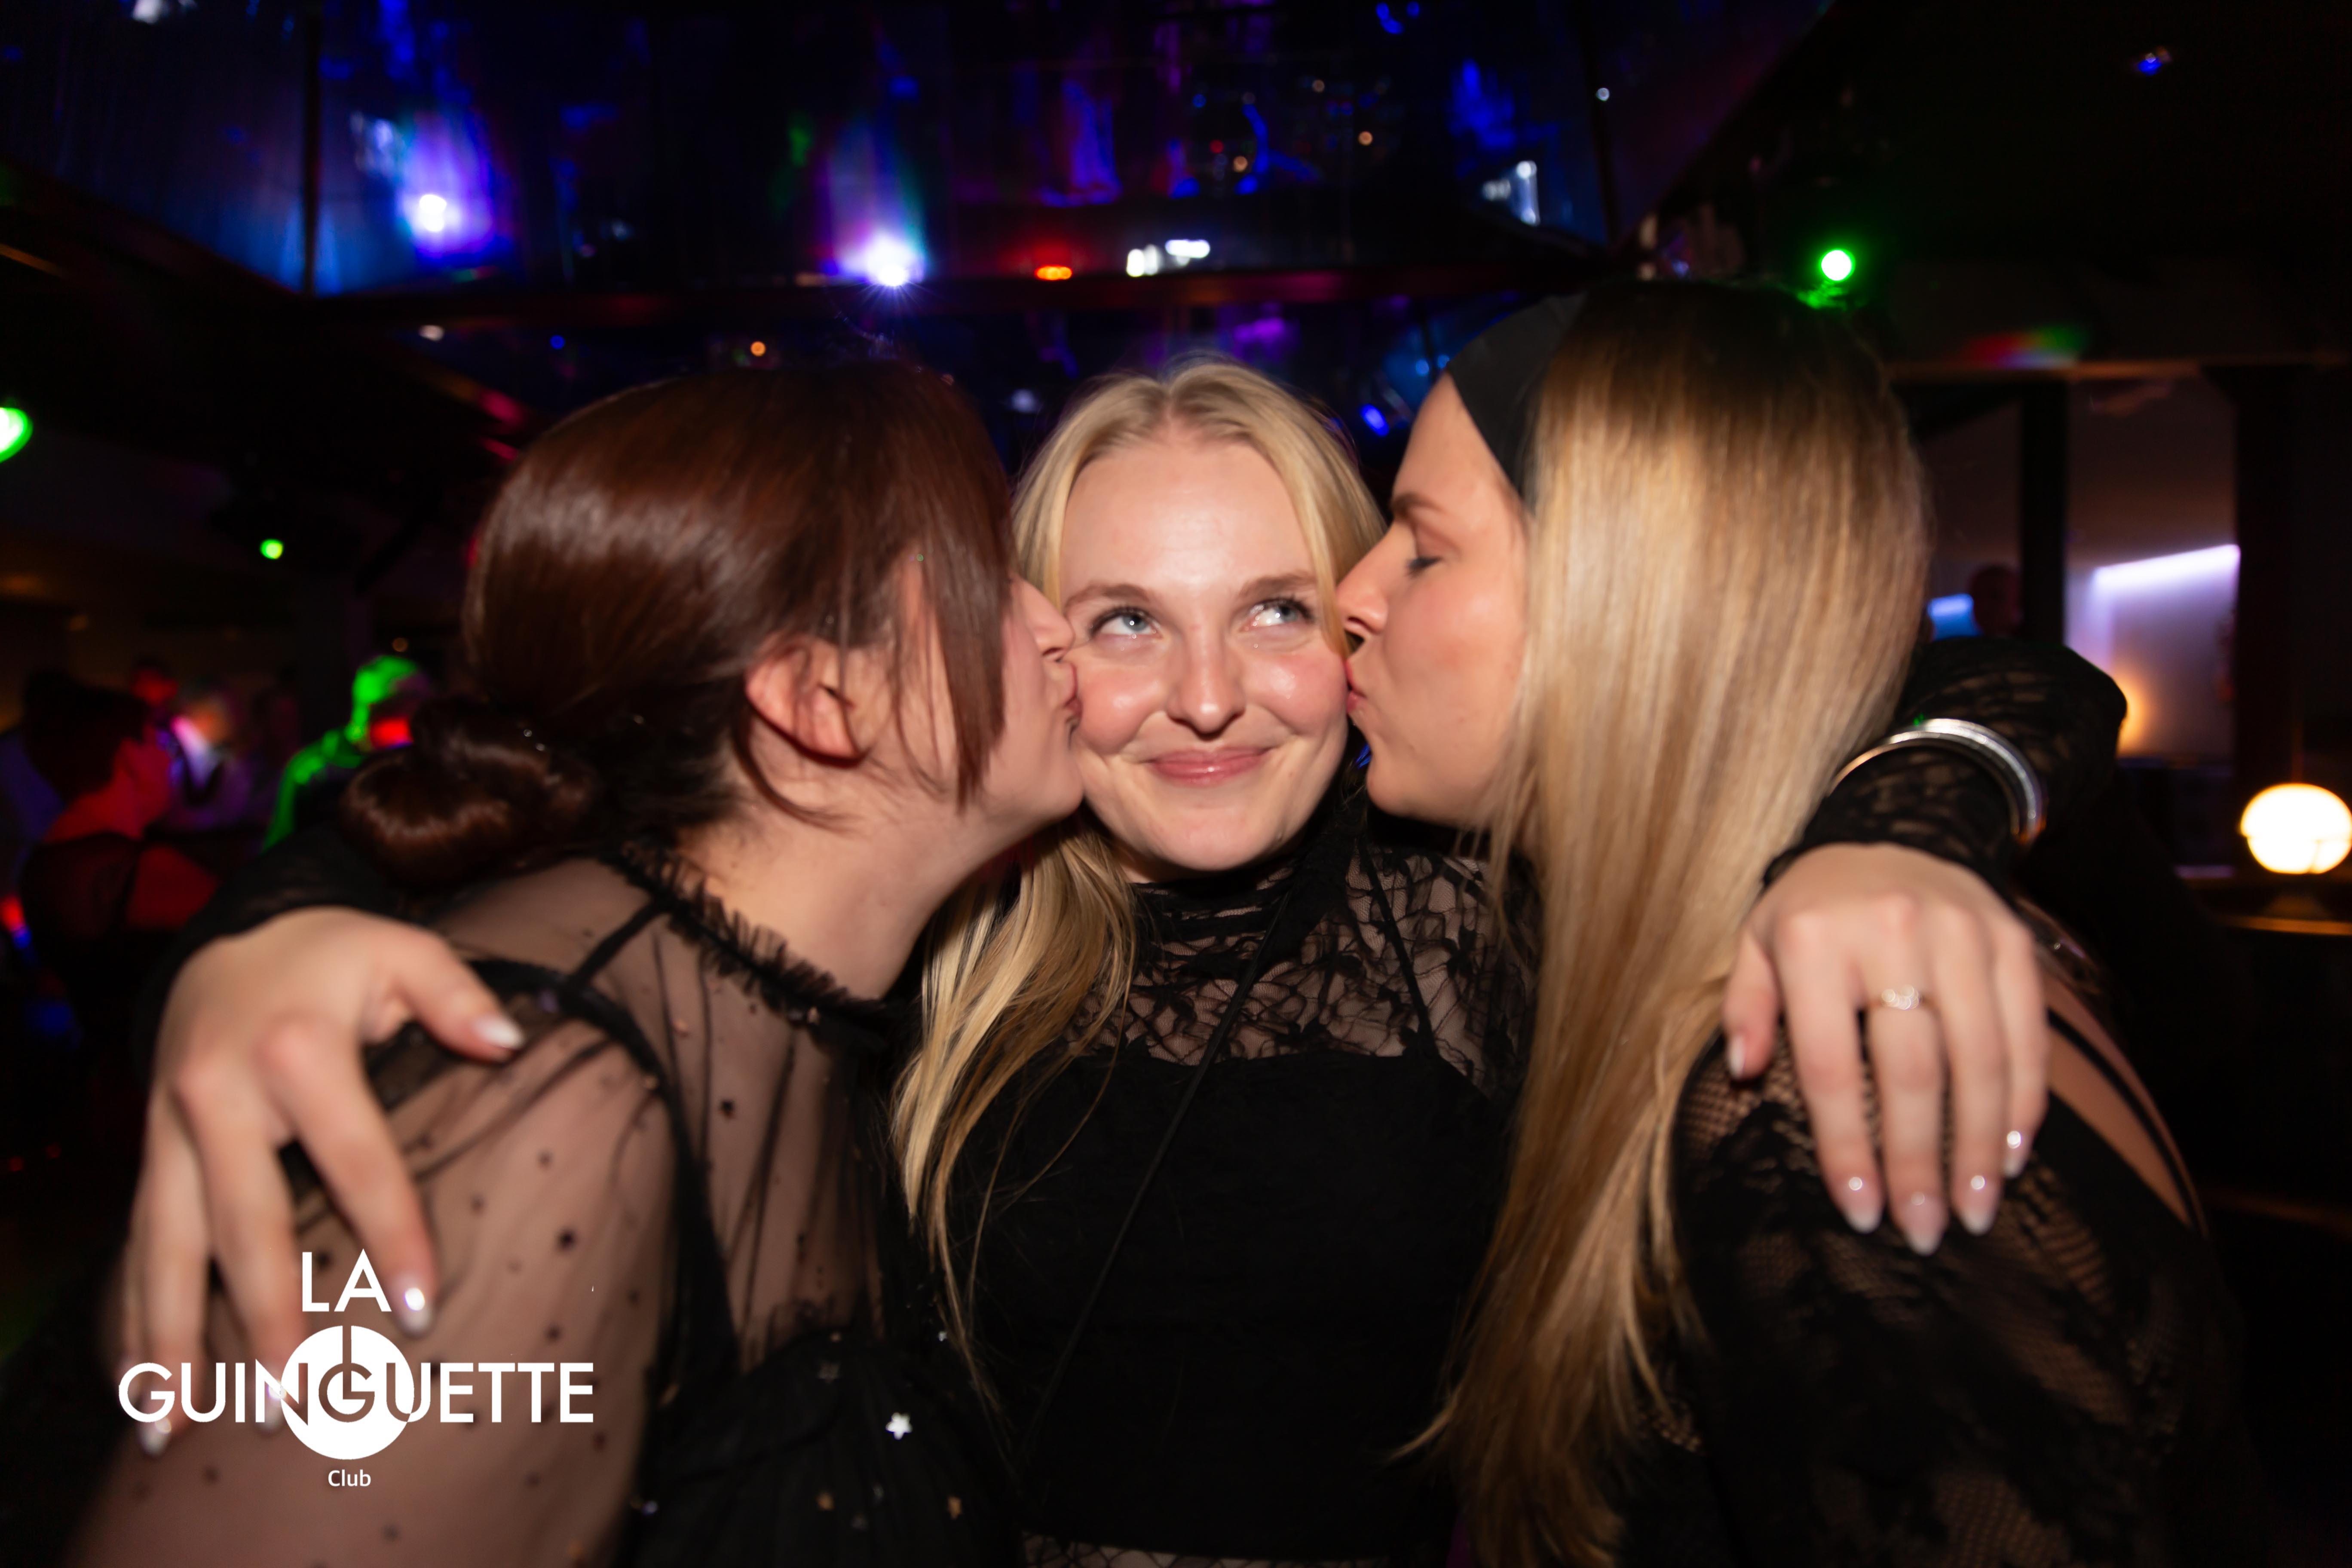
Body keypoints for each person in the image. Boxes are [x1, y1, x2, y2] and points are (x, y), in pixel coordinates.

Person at [86, 355, 2123, 1567]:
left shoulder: (1493, 920)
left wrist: (1911, 809)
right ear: (1035, 644)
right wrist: (267, 933)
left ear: (1364, 622)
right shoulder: (934, 943)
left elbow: (1949, 663)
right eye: (1127, 619)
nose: (1207, 698)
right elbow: (567, 789)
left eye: (1275, 609)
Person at [4, 360, 1083, 1567]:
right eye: (989, 575)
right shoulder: (543, 1101)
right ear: (818, 699)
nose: (1055, 623)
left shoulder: (816, 1021)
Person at [1337, 282, 2263, 1564]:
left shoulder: (1826, 1088)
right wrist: (1939, 787)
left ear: (1630, 600)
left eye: (1424, 547)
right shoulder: (1790, 946)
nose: (1352, 592)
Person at [18, 682, 221, 1060]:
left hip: (97, 1071)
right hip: (160, 1070)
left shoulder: (42, 863)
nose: (168, 762)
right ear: (129, 756)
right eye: (160, 745)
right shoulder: (141, 871)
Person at [262, 653, 433, 847]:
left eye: (415, 704)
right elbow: (281, 843)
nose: (403, 717)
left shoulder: (431, 762)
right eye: (390, 707)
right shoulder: (312, 769)